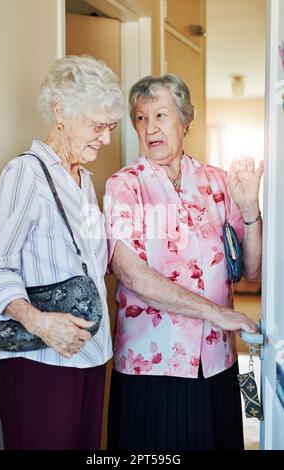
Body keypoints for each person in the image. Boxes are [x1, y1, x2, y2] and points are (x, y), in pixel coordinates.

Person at [104, 74, 263, 450]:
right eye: (140, 118)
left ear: (185, 119)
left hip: (217, 361)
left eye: (160, 115)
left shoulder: (218, 182)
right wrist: (215, 312)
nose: (150, 127)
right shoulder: (125, 186)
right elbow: (132, 274)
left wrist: (250, 208)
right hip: (151, 366)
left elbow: (253, 271)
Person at [0, 55, 123, 450]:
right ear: (62, 112)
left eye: (110, 127)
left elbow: (96, 264)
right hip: (41, 362)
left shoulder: (84, 181)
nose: (106, 139)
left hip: (93, 356)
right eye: (98, 125)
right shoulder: (24, 174)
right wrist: (42, 324)